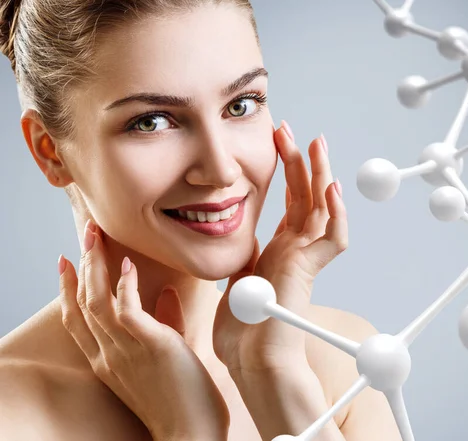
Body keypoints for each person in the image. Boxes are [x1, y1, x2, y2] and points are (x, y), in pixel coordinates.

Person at [0, 0, 402, 440]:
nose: (222, 169)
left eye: (241, 105)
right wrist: (188, 430)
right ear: (50, 151)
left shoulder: (341, 360)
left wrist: (273, 374)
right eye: (150, 122)